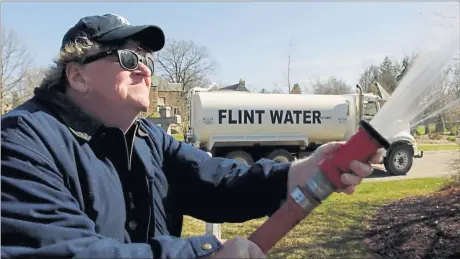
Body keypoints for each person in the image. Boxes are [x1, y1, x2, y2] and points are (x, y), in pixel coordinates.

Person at [1, 14, 381, 259]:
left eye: (148, 61)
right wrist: (201, 254)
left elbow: (216, 180)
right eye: (129, 59)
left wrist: (301, 171)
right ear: (77, 75)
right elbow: (66, 251)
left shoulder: (146, 137)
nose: (145, 71)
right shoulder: (21, 142)